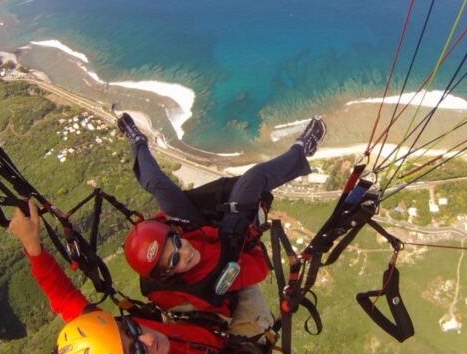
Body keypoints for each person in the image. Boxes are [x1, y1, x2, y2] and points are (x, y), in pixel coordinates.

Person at [8, 199, 241, 354]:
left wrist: (32, 246)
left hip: (203, 331)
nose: (148, 338)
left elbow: (64, 296)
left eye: (130, 327)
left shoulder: (106, 347)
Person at [117, 113, 326, 340]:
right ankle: (302, 149)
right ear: (167, 275)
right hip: (228, 241)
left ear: (176, 233)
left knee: (158, 184)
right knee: (253, 179)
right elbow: (256, 267)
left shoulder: (175, 254)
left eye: (176, 243)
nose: (185, 252)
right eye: (175, 259)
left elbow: (175, 241)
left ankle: (137, 141)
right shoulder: (212, 282)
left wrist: (180, 236)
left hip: (198, 230)